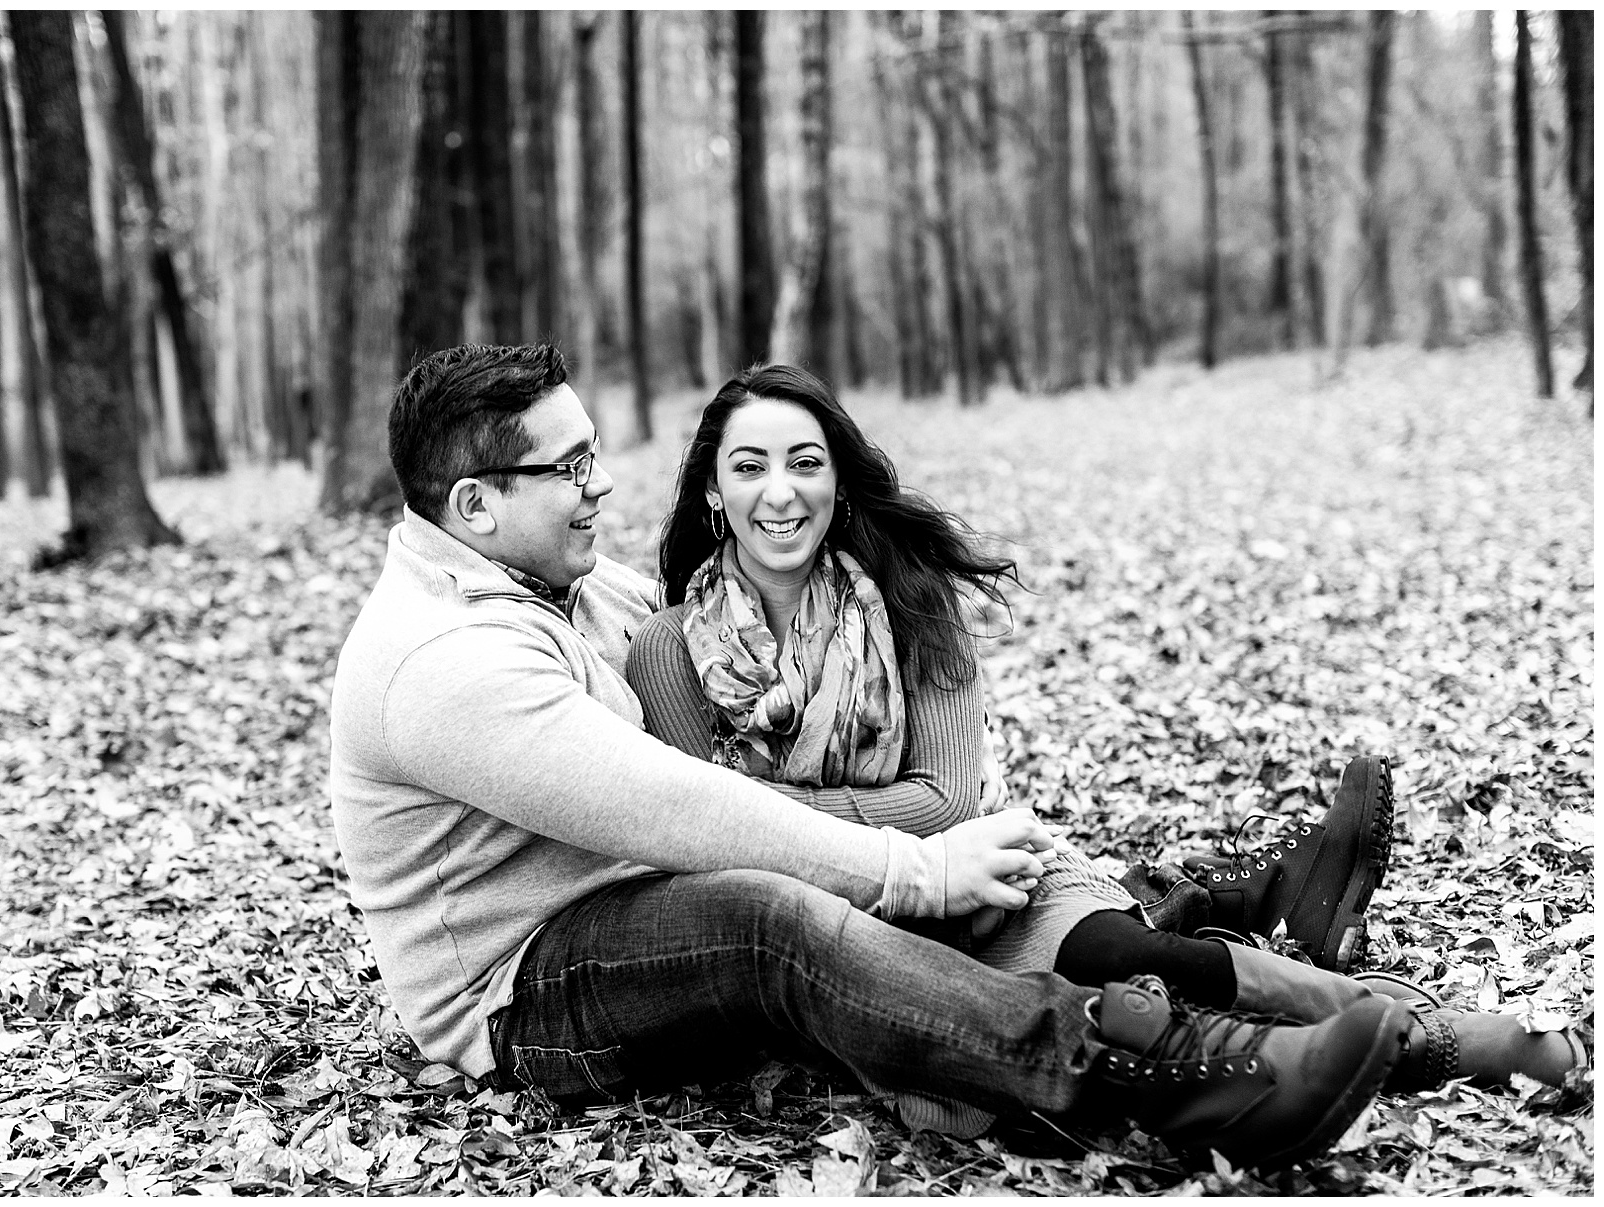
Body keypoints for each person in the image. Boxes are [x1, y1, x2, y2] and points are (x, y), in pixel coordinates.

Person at [328, 342, 1418, 1175]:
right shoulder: (443, 661)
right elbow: (667, 804)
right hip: (522, 990)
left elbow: (713, 656)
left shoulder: (553, 587)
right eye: (567, 465)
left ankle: (1210, 928)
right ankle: (1170, 1072)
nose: (601, 483)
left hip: (630, 911)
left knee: (903, 893)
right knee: (769, 915)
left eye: (592, 450)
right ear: (476, 505)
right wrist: (915, 868)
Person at [624, 363, 1586, 1135]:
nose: (779, 492)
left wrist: (777, 820)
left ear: (838, 478)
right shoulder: (668, 651)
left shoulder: (912, 605)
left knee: (1130, 953)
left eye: (804, 461)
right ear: (713, 489)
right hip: (840, 939)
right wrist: (852, 846)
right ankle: (1289, 976)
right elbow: (702, 843)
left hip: (983, 883)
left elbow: (947, 802)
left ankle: (1445, 1035)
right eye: (749, 466)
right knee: (1115, 1020)